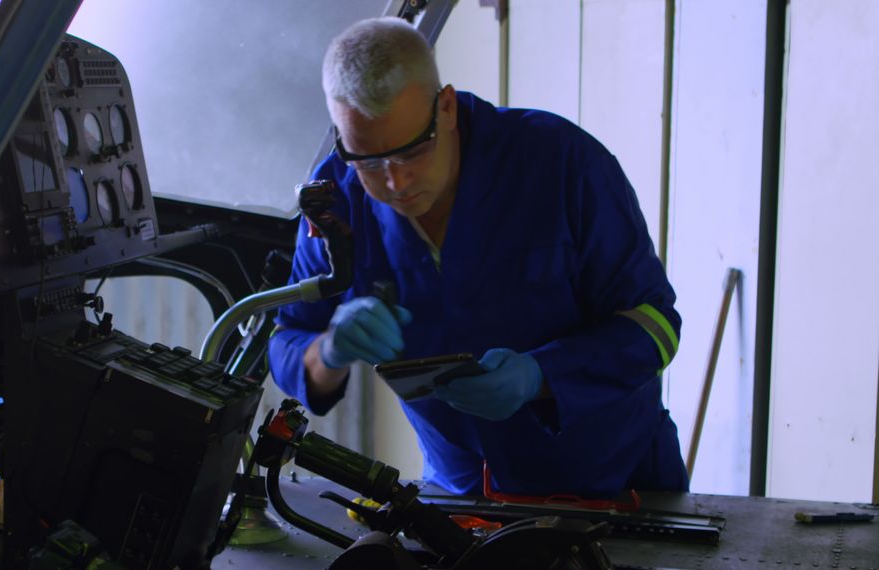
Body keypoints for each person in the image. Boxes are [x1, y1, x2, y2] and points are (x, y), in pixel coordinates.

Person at [267, 16, 688, 498]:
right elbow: (287, 341)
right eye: (369, 160)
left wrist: (542, 375)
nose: (394, 183)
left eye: (411, 153)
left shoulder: (563, 163)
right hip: (458, 497)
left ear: (445, 107)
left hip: (610, 485)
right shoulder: (335, 200)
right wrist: (330, 350)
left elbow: (657, 326)